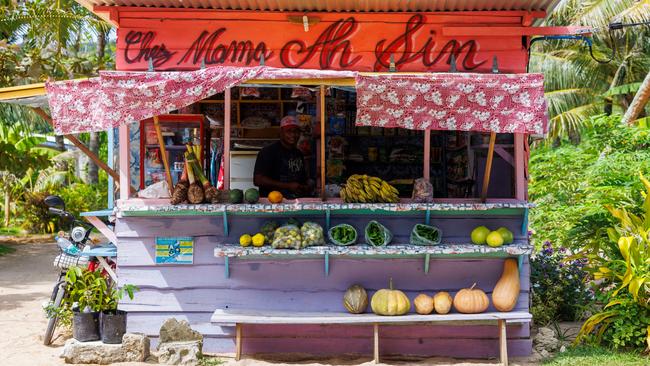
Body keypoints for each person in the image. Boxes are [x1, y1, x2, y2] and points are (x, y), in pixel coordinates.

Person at [254, 116, 311, 198]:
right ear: (281, 133)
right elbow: (258, 180)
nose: (293, 135)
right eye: (289, 131)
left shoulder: (298, 153)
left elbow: (301, 179)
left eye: (296, 131)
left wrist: (304, 186)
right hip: (272, 203)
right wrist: (287, 186)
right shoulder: (268, 152)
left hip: (295, 203)